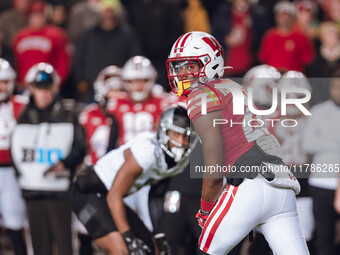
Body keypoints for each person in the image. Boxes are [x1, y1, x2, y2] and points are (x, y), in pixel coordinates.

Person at [166, 31, 309, 255]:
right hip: (281, 185)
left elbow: (213, 168)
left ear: (210, 63)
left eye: (189, 66)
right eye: (179, 67)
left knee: (206, 252)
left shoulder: (202, 95)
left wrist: (205, 210)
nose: (182, 73)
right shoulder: (232, 87)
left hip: (248, 184)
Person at [72, 104, 198, 255]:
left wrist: (157, 233)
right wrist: (128, 237)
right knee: (121, 250)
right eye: (176, 135)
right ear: (164, 131)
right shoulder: (147, 150)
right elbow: (114, 196)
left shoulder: (180, 162)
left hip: (109, 197)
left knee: (150, 249)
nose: (181, 142)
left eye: (186, 137)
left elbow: (156, 195)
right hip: (89, 191)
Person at [10, 62, 86, 255]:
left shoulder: (68, 113)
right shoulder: (22, 116)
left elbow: (79, 147)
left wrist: (66, 164)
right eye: (38, 89)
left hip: (59, 190)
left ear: (55, 88)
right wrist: (23, 175)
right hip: (32, 190)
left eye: (47, 89)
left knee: (65, 244)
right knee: (38, 245)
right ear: (31, 89)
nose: (43, 94)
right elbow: (15, 149)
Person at [73, 0, 142, 102]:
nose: (108, 15)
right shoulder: (88, 35)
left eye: (111, 11)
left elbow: (136, 59)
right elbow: (79, 58)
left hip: (122, 90)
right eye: (106, 11)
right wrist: (81, 80)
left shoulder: (128, 35)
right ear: (100, 12)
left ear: (118, 12)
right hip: (92, 90)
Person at [302, 70, 340, 255]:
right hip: (322, 182)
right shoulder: (318, 111)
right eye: (336, 87)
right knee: (324, 237)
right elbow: (308, 143)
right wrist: (336, 142)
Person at [12, 1, 72, 91]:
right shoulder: (20, 37)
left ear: (45, 16)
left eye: (40, 15)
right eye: (34, 15)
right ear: (28, 17)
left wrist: (57, 81)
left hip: (47, 86)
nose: (37, 19)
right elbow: (14, 62)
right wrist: (16, 82)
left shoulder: (57, 35)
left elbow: (63, 61)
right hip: (23, 86)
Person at [0, 58, 27, 255]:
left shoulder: (22, 105)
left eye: (4, 81)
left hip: (13, 170)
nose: (1, 86)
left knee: (15, 222)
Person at [258, 1, 314, 73]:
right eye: (281, 16)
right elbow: (263, 58)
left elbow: (307, 60)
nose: (284, 18)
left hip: (294, 80)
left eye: (288, 16)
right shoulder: (269, 36)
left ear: (293, 18)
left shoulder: (301, 36)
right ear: (276, 17)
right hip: (273, 79)